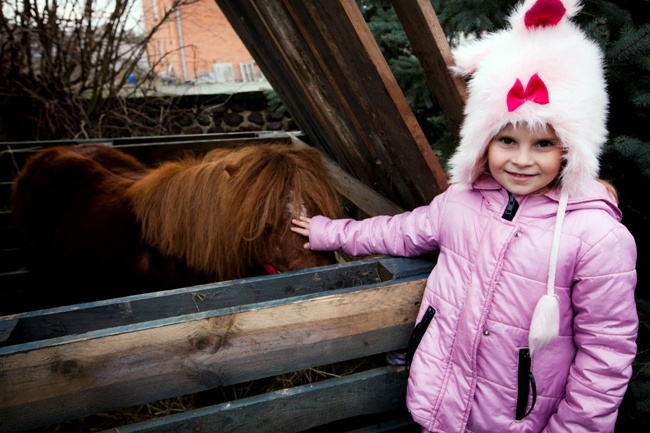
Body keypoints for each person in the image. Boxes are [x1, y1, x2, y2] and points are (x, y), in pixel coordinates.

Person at [291, 0, 638, 432]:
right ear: (482, 142)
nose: (522, 160)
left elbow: (606, 354)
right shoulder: (459, 203)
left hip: (516, 421)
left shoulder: (597, 237)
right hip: (439, 402)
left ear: (571, 148)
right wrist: (331, 231)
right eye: (506, 140)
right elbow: (398, 232)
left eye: (543, 144)